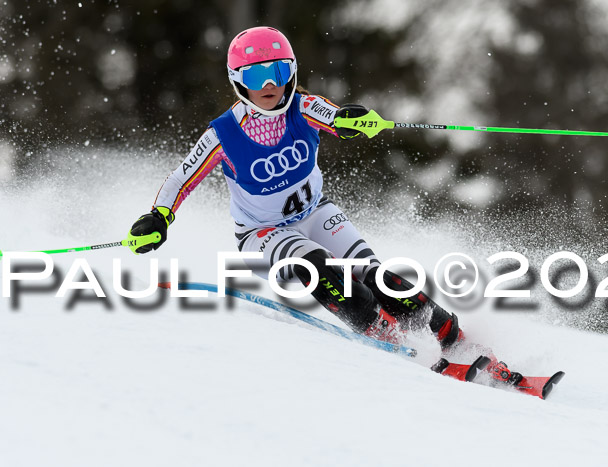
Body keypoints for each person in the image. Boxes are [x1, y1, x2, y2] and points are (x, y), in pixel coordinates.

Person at [128, 26, 521, 385]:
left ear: (291, 73)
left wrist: (358, 120)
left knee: (377, 277)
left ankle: (457, 342)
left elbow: (336, 116)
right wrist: (158, 217)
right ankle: (382, 333)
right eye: (254, 76)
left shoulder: (303, 107)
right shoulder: (223, 134)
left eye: (278, 73)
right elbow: (182, 177)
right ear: (237, 82)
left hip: (315, 212)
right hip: (264, 234)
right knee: (317, 265)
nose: (268, 85)